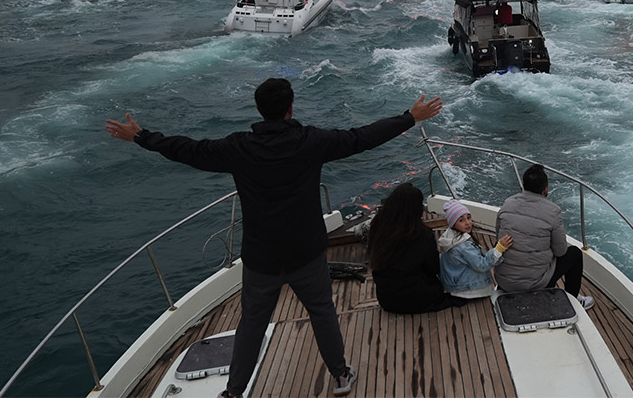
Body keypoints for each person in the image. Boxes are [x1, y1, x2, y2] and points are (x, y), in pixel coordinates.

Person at [104, 79, 444, 398]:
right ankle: (340, 376)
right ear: (290, 108)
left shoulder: (238, 148)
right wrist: (409, 118)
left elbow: (187, 149)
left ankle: (235, 392)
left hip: (261, 257)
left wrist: (141, 136)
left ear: (258, 109)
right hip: (306, 253)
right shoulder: (311, 141)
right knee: (322, 313)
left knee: (251, 325)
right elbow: (360, 137)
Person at [493, 164, 593, 310]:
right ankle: (573, 300)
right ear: (545, 190)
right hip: (535, 284)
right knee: (575, 253)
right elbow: (560, 251)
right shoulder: (553, 211)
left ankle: (504, 285)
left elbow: (498, 237)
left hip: (504, 282)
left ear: (524, 186)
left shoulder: (507, 204)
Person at [368, 183, 467, 313]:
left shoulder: (377, 225)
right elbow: (434, 269)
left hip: (386, 299)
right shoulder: (421, 235)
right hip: (416, 299)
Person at [437, 199, 513, 298]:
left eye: (469, 218)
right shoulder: (463, 246)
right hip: (468, 290)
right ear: (453, 224)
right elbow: (481, 265)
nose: (468, 223)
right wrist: (499, 249)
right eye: (461, 220)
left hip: (454, 286)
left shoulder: (449, 238)